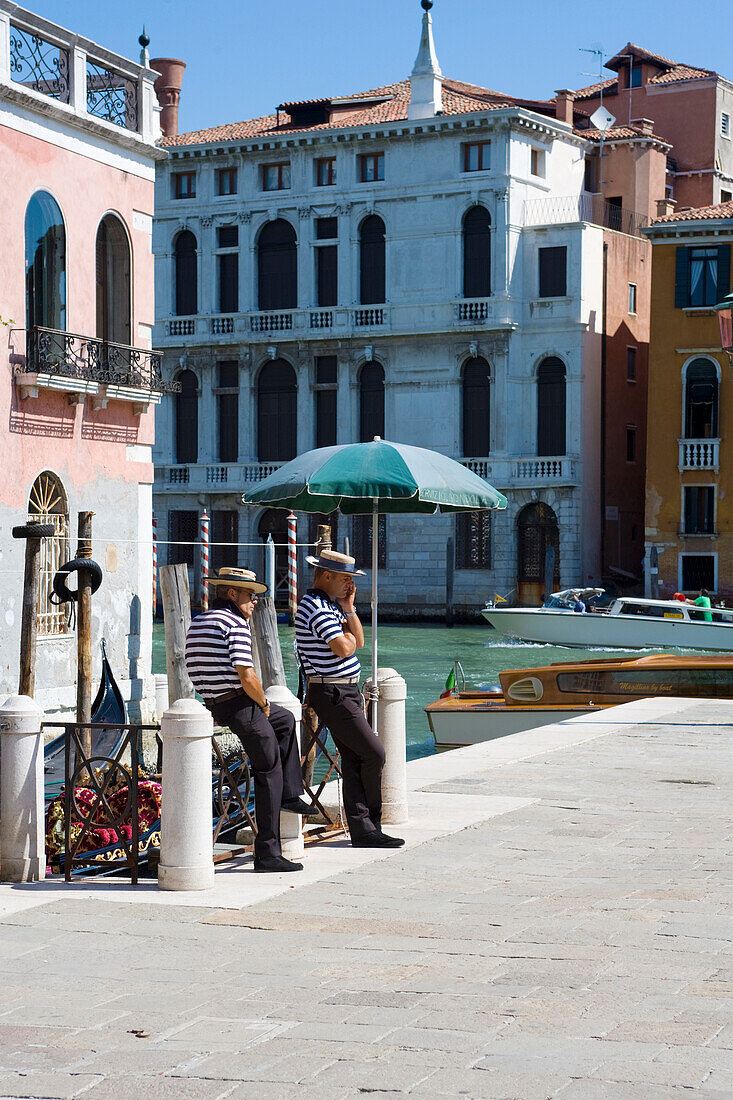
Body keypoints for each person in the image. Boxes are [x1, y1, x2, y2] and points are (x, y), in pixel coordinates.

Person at [185, 566, 316, 873]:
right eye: (250, 595)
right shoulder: (235, 623)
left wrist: (268, 708)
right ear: (232, 594)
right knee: (268, 769)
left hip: (214, 704)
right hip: (241, 705)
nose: (255, 601)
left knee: (284, 721)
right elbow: (247, 675)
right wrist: (263, 702)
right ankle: (268, 853)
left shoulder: (199, 621)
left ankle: (290, 793)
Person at [295, 548, 404, 850]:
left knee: (357, 758)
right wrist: (348, 637)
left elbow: (358, 640)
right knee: (374, 753)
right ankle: (370, 824)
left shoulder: (331, 606)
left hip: (344, 691)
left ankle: (365, 829)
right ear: (326, 576)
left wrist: (349, 608)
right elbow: (344, 648)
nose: (350, 585)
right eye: (345, 579)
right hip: (331, 692)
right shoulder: (314, 606)